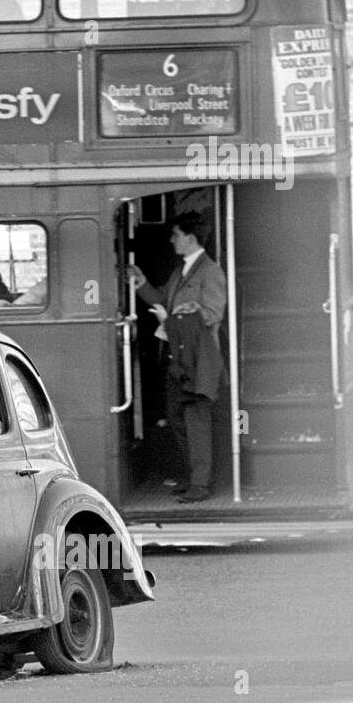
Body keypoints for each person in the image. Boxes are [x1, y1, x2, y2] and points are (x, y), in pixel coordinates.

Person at [128, 212, 227, 504]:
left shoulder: (211, 272)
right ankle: (196, 476)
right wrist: (142, 283)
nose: (171, 239)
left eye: (176, 234)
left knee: (196, 422)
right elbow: (163, 299)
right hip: (178, 360)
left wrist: (170, 321)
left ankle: (200, 483)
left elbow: (211, 315)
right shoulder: (181, 271)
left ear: (191, 238)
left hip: (198, 360)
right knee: (176, 418)